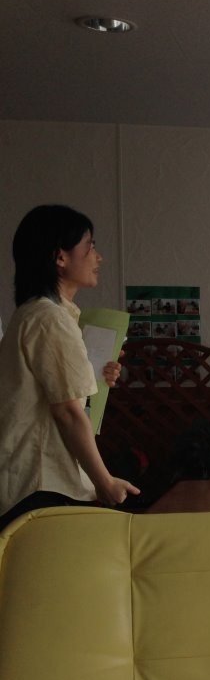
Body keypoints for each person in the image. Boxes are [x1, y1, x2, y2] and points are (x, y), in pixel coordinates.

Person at [0, 205, 140, 531]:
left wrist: (94, 375)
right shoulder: (50, 319)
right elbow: (67, 412)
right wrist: (104, 481)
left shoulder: (36, 314)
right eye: (89, 246)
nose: (98, 257)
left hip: (30, 483)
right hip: (40, 485)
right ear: (60, 257)